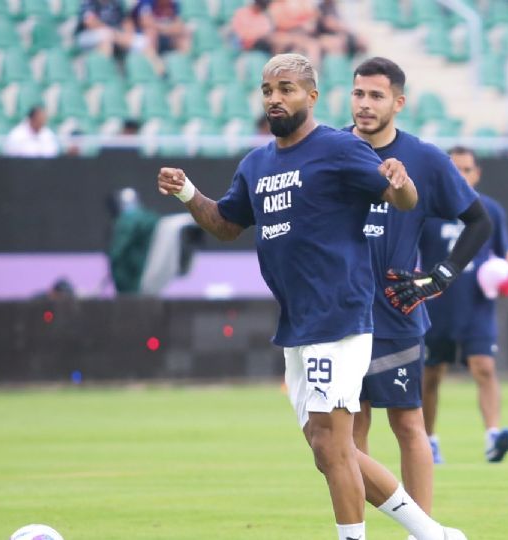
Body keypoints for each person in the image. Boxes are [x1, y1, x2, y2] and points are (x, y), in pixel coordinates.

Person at [157, 53, 467, 540]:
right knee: (327, 449)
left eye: (286, 89)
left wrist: (401, 182)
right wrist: (188, 193)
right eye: (267, 90)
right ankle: (434, 534)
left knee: (334, 444)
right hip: (297, 324)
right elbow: (225, 224)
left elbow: (399, 198)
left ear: (312, 96)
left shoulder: (338, 149)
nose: (275, 98)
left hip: (339, 315)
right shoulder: (257, 164)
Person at [347, 57, 492, 516]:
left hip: (396, 312)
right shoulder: (329, 149)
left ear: (398, 102)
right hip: (339, 314)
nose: (365, 104)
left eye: (376, 95)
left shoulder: (426, 159)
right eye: (358, 94)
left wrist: (442, 275)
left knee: (409, 426)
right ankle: (357, 529)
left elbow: (478, 221)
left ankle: (422, 530)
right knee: (348, 434)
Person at [420, 146, 508, 464]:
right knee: (432, 372)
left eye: (467, 170)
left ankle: (493, 436)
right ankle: (429, 441)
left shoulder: (490, 210)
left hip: (476, 303)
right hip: (436, 304)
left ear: (476, 174)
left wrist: (507, 279)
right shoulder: (428, 210)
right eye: (455, 169)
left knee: (484, 367)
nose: (461, 176)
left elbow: (505, 256)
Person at [76, 0, 146, 56]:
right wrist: (114, 33)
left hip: (115, 35)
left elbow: (126, 21)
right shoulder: (88, 1)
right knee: (106, 36)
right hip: (86, 36)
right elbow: (90, 23)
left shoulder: (116, 2)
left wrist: (128, 35)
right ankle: (104, 71)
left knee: (141, 41)